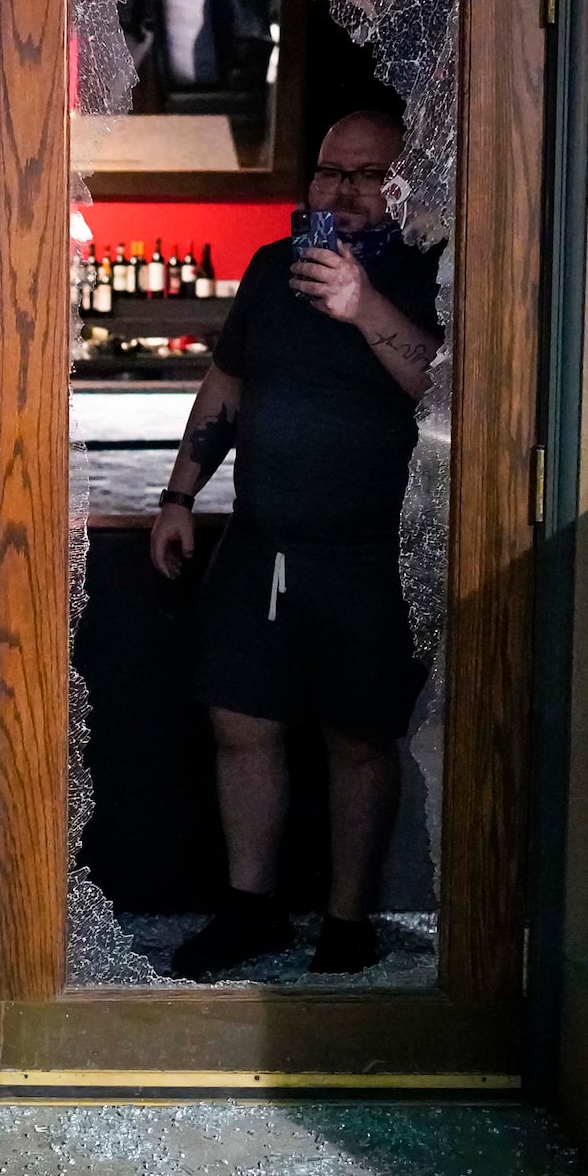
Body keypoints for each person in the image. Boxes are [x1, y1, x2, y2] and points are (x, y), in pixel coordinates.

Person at [150, 109, 445, 978]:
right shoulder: (273, 266)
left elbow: (442, 389)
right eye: (328, 172)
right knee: (241, 722)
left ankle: (347, 921)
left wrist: (361, 306)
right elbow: (227, 380)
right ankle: (250, 909)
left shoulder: (433, 275)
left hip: (372, 548)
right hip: (261, 535)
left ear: (403, 186)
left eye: (365, 174)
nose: (342, 190)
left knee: (359, 735)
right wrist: (178, 494)